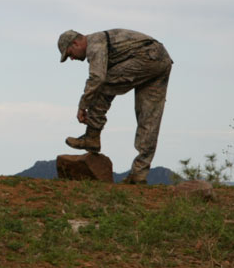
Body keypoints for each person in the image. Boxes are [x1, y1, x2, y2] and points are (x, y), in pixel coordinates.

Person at [58, 28, 173, 184]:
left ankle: (92, 137)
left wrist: (82, 105)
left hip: (146, 57)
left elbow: (97, 78)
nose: (71, 58)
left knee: (100, 87)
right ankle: (139, 174)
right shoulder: (100, 42)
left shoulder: (94, 44)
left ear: (76, 43)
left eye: (69, 53)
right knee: (149, 117)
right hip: (161, 59)